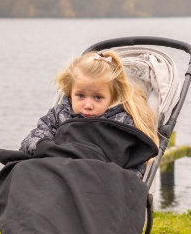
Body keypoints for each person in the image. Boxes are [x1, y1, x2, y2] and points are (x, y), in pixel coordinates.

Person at [19, 50, 158, 177]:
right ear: (70, 93)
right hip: (58, 175)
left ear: (113, 98)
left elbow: (134, 167)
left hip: (98, 184)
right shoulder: (58, 115)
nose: (88, 105)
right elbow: (31, 141)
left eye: (98, 97)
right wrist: (47, 149)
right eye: (80, 95)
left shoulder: (121, 123)